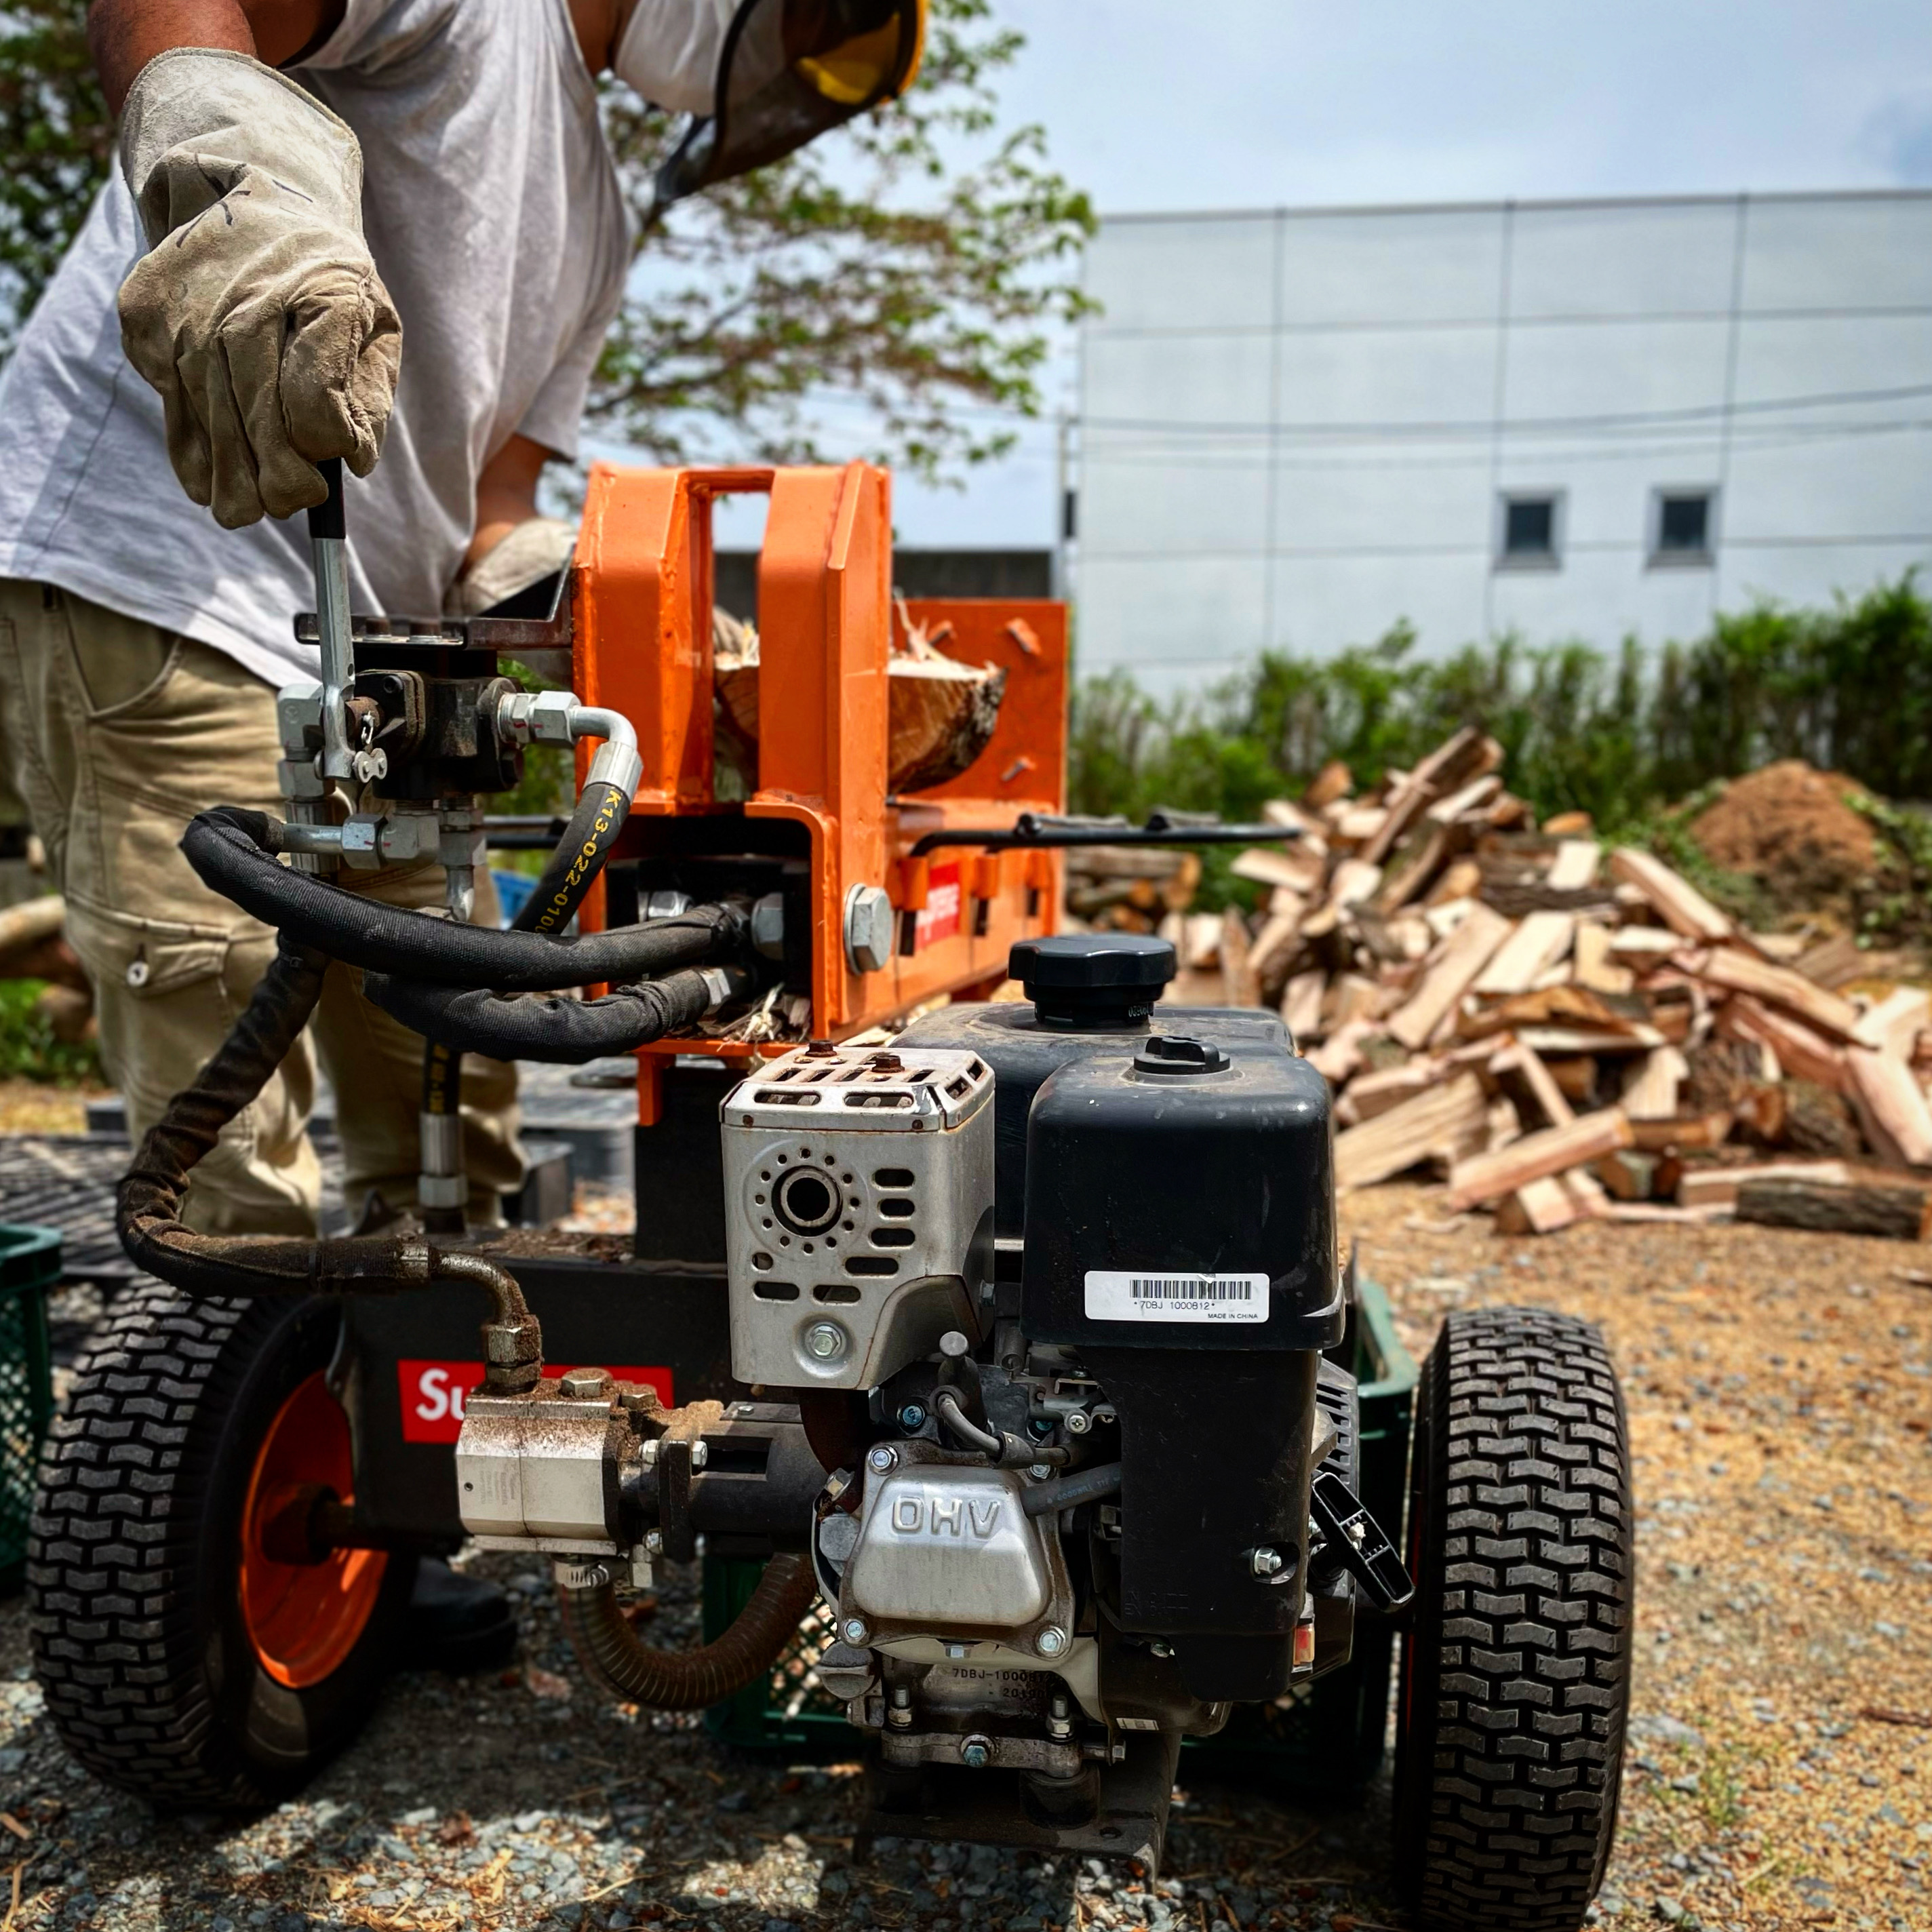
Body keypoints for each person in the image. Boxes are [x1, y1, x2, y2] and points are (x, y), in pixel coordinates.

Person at [0, 0, 920, 1657]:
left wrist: (533, 572)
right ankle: (216, 1578)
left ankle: (402, 1505)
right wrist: (241, 191)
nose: (766, 54)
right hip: (171, 573)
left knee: (445, 1084)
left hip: (389, 659)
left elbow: (495, 485)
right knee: (237, 1153)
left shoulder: (597, 213)